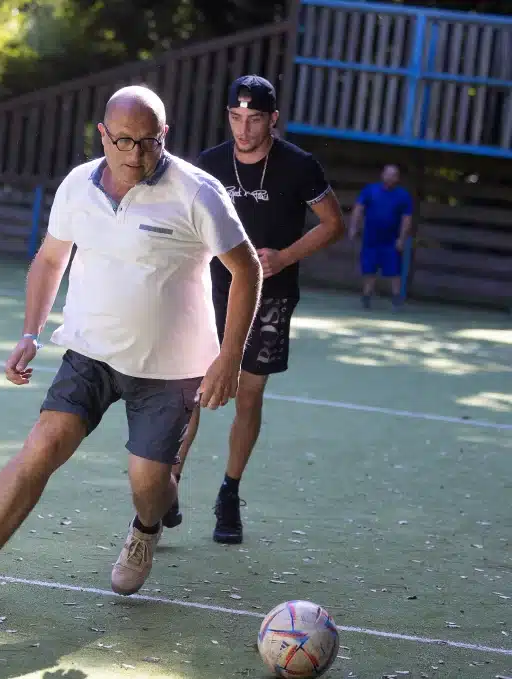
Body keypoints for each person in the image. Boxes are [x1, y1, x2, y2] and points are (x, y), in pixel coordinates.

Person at [0, 85, 262, 606]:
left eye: (149, 143)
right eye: (125, 142)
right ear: (103, 135)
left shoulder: (198, 192)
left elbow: (247, 270)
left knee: (146, 481)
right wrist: (29, 333)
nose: (137, 155)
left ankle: (146, 528)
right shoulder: (76, 186)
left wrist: (229, 357)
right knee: (41, 447)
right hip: (90, 353)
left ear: (165, 136)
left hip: (169, 368)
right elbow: (49, 260)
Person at [167, 75, 346, 544]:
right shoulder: (207, 165)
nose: (244, 129)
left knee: (248, 395)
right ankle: (168, 487)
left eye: (255, 119)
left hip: (271, 295)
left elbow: (333, 224)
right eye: (236, 117)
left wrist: (284, 257)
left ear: (273, 120)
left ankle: (230, 492)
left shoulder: (299, 166)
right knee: (193, 390)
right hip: (209, 293)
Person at [348, 164, 413, 309]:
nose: (390, 177)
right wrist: (353, 227)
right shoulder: (370, 190)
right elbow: (358, 209)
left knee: (394, 269)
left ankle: (396, 297)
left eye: (394, 175)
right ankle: (366, 296)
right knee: (369, 268)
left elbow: (406, 219)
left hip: (391, 239)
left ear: (397, 178)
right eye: (388, 174)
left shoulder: (403, 196)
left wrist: (402, 239)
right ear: (382, 175)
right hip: (371, 237)